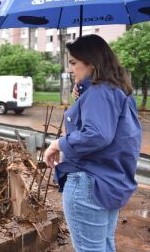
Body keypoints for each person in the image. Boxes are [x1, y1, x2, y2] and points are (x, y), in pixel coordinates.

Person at [44, 34, 142, 252]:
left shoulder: (100, 92)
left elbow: (96, 134)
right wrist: (82, 100)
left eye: (73, 63)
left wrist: (57, 144)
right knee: (105, 246)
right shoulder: (114, 90)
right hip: (108, 180)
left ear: (92, 62)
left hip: (89, 184)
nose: (70, 69)